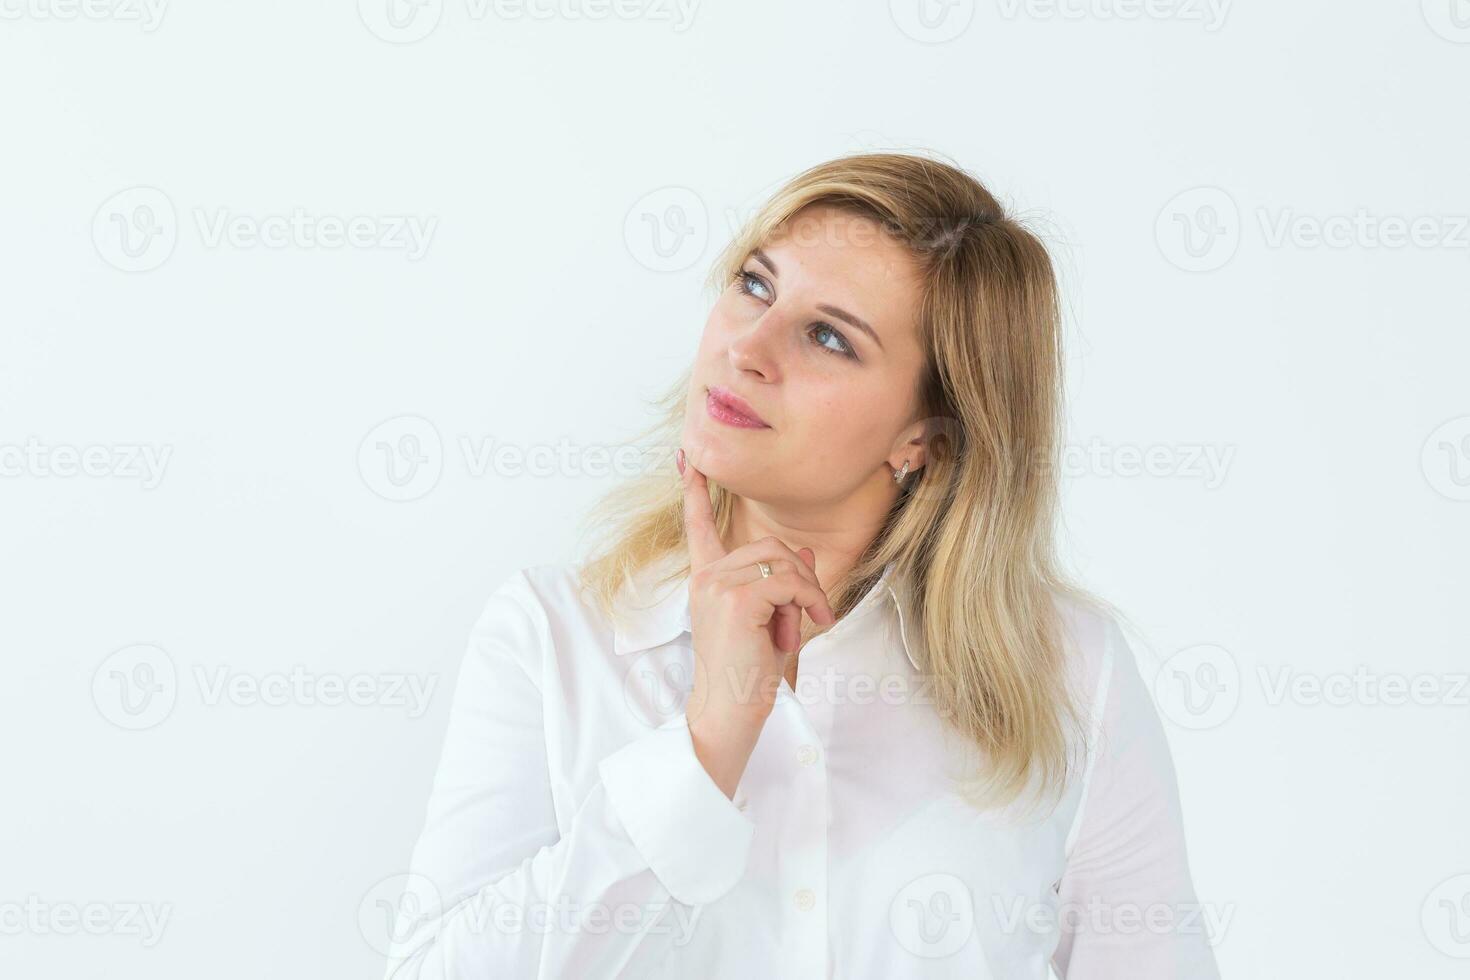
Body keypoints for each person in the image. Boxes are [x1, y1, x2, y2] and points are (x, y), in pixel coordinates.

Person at [380, 151, 1222, 978]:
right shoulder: (552, 636)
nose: (749, 346)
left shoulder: (1070, 671)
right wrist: (709, 737)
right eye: (755, 284)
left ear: (926, 437)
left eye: (828, 336)